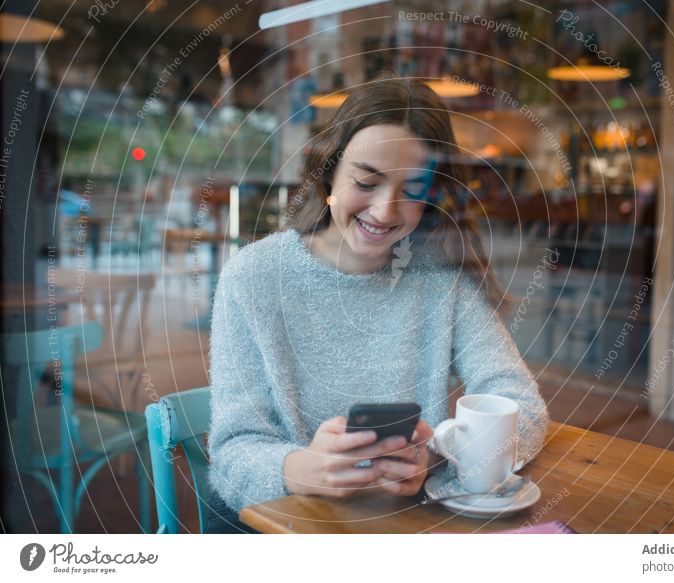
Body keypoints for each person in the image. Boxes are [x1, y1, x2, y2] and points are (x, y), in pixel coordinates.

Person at [205, 71, 549, 533]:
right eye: (366, 182)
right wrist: (301, 469)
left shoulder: (440, 281)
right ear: (328, 173)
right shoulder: (253, 277)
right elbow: (231, 453)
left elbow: (522, 406)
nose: (385, 211)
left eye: (410, 191)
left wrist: (436, 456)